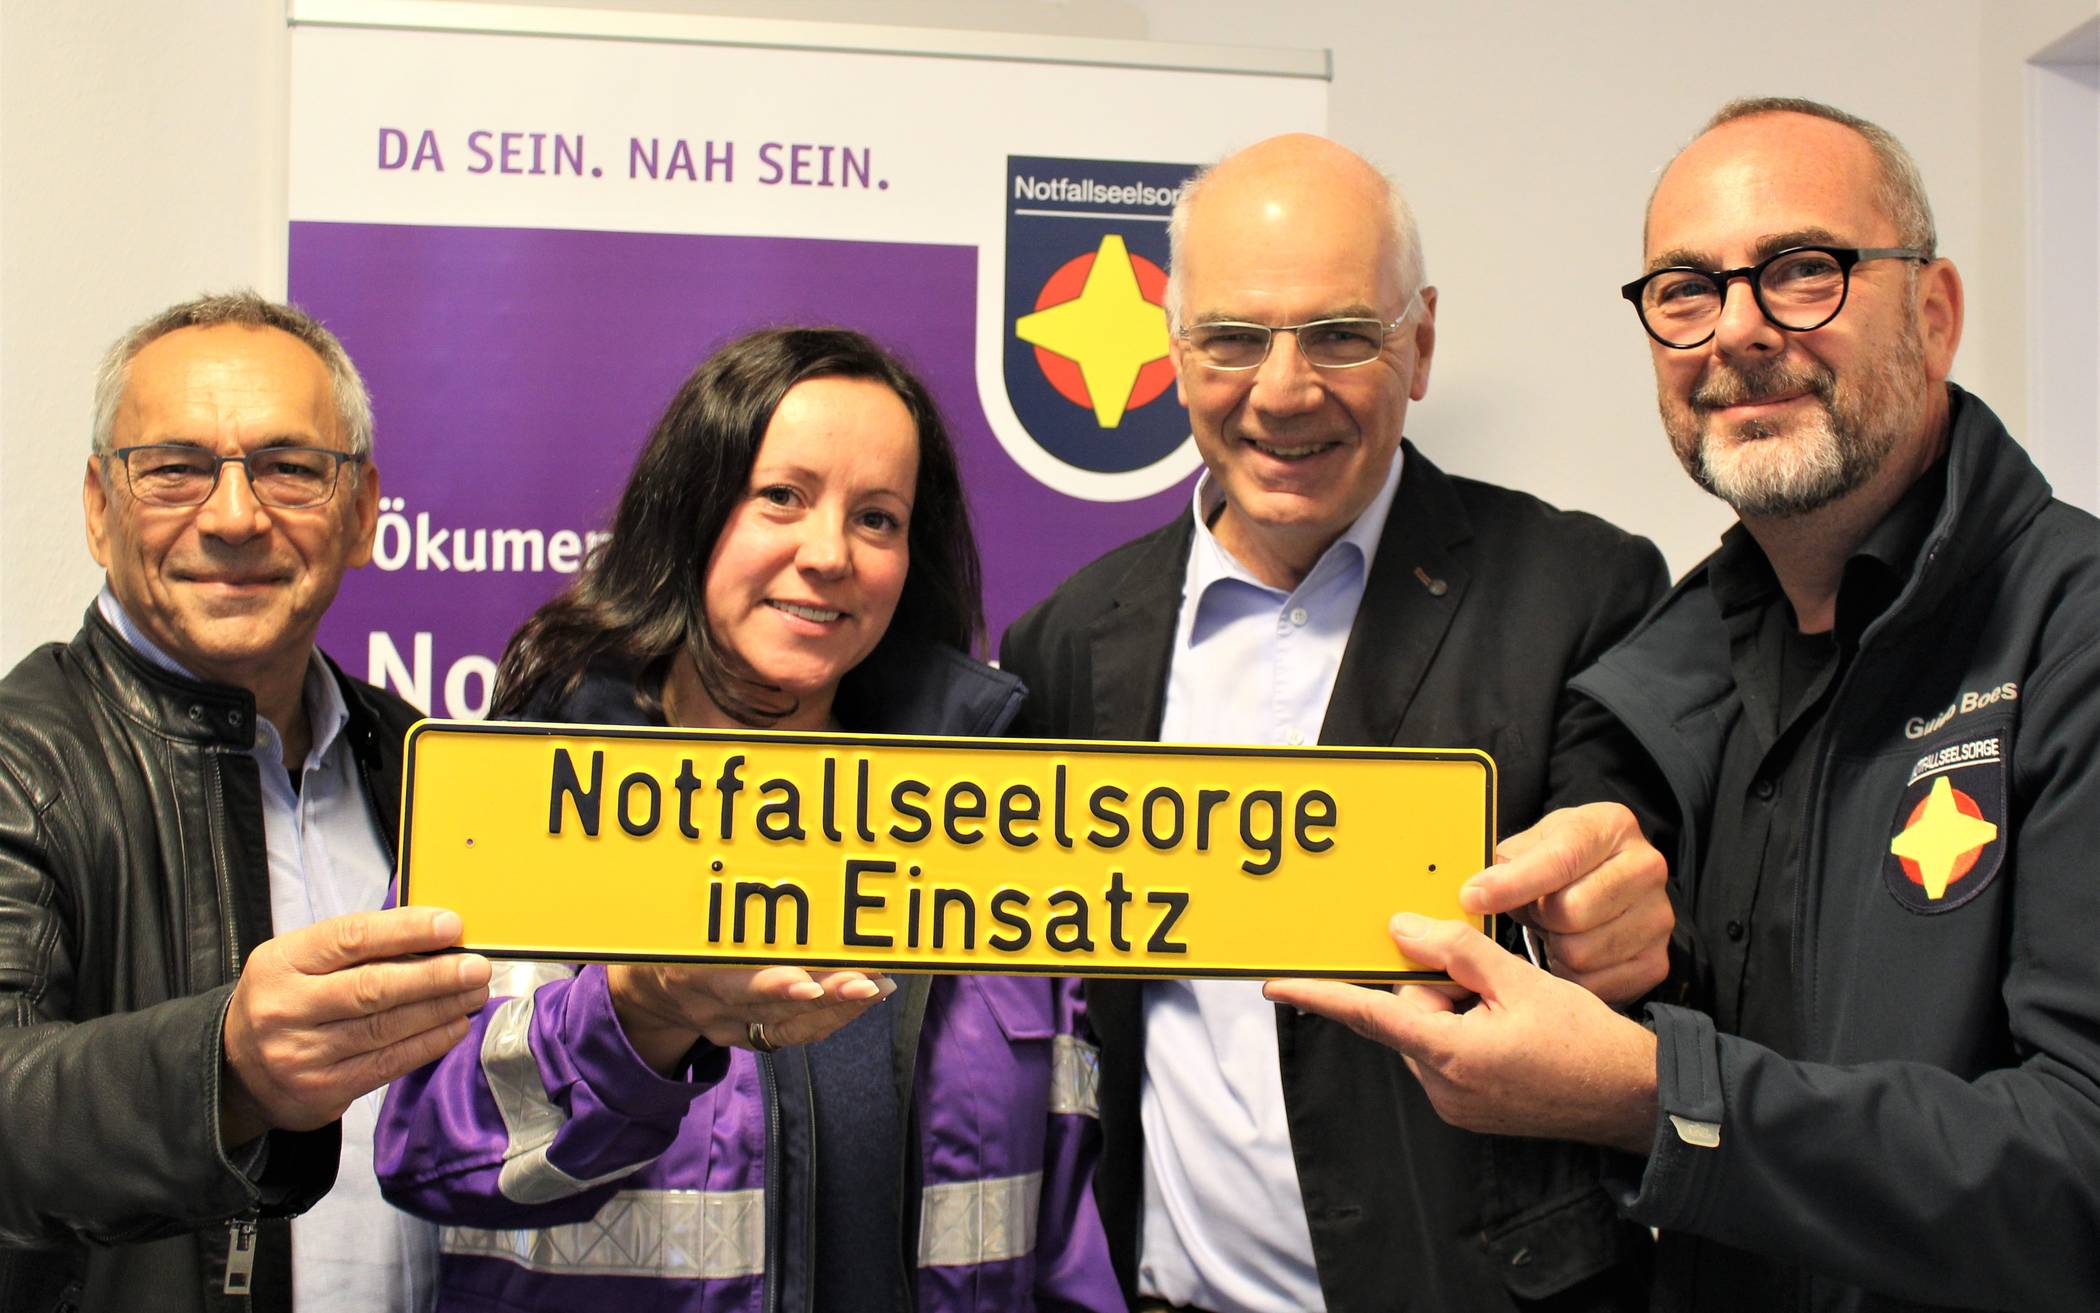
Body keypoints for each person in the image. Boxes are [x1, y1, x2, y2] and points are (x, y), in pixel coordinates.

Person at [1270, 99, 2100, 1313]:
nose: (1742, 329)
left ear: (1935, 313)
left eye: (1804, 271)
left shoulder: (2069, 632)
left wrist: (1662, 1093)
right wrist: (1590, 944)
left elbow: (2079, 1159)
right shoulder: (1666, 654)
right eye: (1685, 291)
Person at [998, 134, 1677, 1313]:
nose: (1283, 388)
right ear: (1174, 350)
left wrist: (1608, 913)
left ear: (1418, 342)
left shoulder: (1584, 589)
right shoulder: (1063, 641)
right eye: (1234, 338)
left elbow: (1625, 869)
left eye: (1342, 334)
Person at [376, 326, 1120, 1313]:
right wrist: (640, 1010)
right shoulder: (518, 797)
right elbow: (430, 1153)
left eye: (879, 518)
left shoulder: (989, 830)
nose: (829, 554)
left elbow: (1065, 1232)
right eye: (782, 496)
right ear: (691, 509)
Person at [0, 292, 484, 1311]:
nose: (232, 514)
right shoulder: (18, 760)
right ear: (98, 505)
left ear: (362, 513)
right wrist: (221, 1070)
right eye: (174, 467)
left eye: (289, 467)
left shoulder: (426, 763)